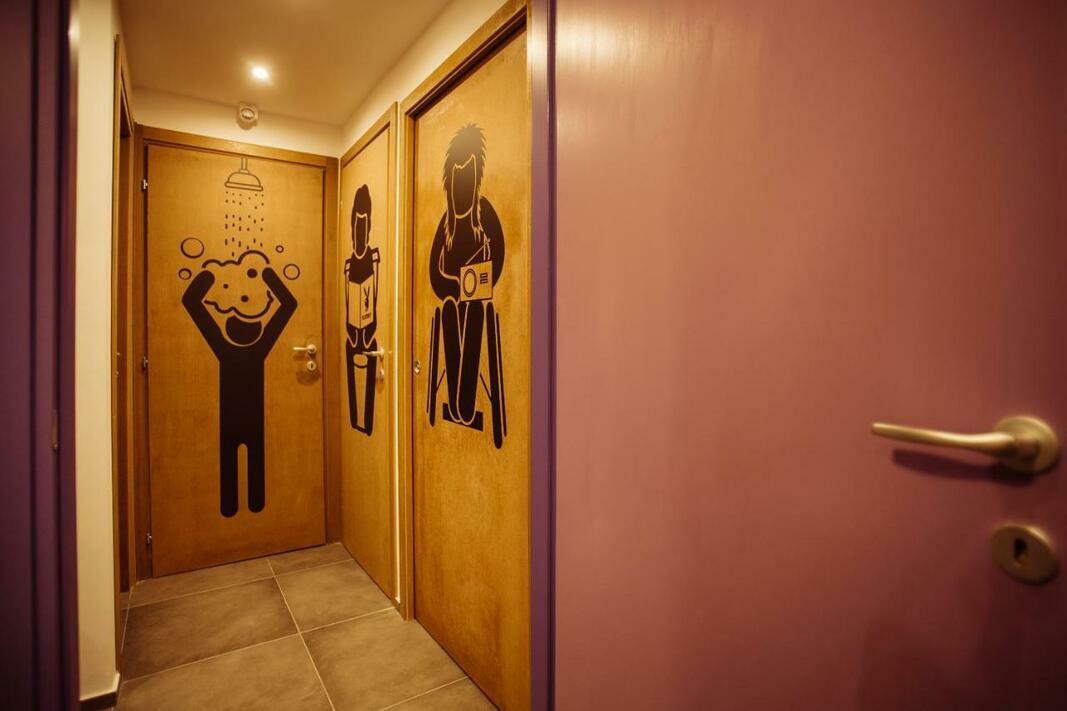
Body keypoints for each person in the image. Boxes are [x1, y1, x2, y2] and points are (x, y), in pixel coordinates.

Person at [182, 250, 297, 517]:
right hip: (252, 415)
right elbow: (287, 305)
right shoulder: (259, 348)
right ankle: (253, 506)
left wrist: (207, 279)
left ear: (227, 329)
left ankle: (231, 509)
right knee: (253, 456)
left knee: (231, 457)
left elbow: (192, 302)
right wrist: (268, 276)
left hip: (230, 416)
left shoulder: (223, 347)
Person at [427, 124, 507, 448]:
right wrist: (454, 285)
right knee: (449, 311)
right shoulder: (445, 225)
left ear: (476, 181)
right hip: (451, 300)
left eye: (468, 179)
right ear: (449, 183)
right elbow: (433, 273)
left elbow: (499, 256)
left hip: (477, 300)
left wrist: (478, 282)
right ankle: (461, 405)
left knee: (474, 311)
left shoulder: (485, 214)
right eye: (457, 180)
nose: (462, 189)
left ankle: (463, 405)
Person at [344, 185, 380, 435]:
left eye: (364, 226)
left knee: (369, 350)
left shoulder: (372, 257)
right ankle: (355, 419)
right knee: (351, 353)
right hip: (352, 328)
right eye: (356, 226)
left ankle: (366, 423)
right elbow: (348, 299)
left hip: (369, 328)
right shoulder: (349, 264)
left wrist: (368, 330)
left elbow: (375, 294)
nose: (360, 233)